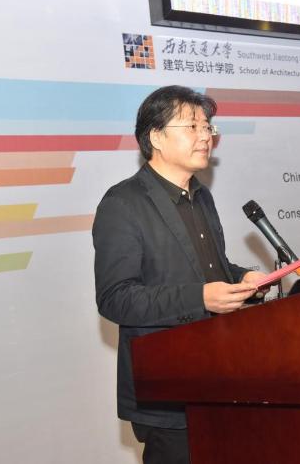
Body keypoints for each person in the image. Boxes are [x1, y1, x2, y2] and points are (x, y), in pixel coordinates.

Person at [93, 85, 268, 464]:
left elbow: (211, 267)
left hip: (221, 377)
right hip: (168, 389)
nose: (206, 137)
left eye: (208, 127)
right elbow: (115, 298)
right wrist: (200, 298)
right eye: (192, 127)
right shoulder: (123, 204)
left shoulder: (201, 196)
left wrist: (245, 280)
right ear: (156, 136)